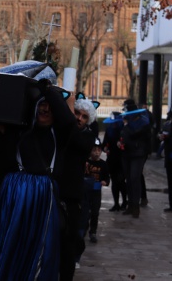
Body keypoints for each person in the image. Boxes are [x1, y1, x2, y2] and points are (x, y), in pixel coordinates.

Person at [0, 80, 76, 280]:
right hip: (15, 199)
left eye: (50, 105)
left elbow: (68, 121)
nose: (46, 108)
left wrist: (49, 91)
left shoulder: (60, 134)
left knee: (41, 249)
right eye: (41, 104)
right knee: (10, 246)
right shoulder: (18, 132)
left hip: (43, 201)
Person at [60, 92, 97, 279]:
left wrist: (67, 114)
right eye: (77, 114)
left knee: (70, 239)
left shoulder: (87, 136)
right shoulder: (62, 129)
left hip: (73, 194)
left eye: (84, 117)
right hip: (56, 188)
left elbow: (76, 140)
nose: (79, 119)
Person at [75, 137, 109, 267]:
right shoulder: (86, 162)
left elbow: (107, 177)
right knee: (86, 212)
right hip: (86, 191)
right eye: (94, 150)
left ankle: (93, 231)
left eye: (98, 150)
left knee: (95, 212)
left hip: (96, 192)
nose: (96, 152)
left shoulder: (103, 164)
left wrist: (105, 182)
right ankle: (84, 228)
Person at [118, 99, 151, 218]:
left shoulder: (143, 123)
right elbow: (123, 135)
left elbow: (134, 134)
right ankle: (130, 204)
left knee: (134, 178)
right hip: (126, 153)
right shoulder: (126, 123)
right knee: (129, 179)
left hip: (138, 153)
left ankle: (136, 205)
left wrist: (127, 126)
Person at [102, 111, 127, 211]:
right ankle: (116, 203)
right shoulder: (109, 130)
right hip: (112, 159)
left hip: (122, 159)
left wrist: (122, 145)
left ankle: (125, 202)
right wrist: (105, 148)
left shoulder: (124, 130)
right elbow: (104, 143)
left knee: (121, 181)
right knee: (114, 182)